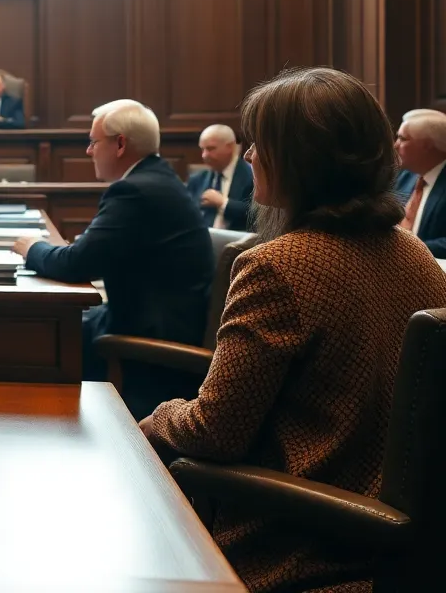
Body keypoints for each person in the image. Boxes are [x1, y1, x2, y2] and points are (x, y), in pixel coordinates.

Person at [142, 68, 446, 593]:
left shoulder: (280, 265)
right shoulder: (414, 253)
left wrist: (147, 423)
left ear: (303, 160)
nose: (252, 155)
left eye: (263, 143)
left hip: (291, 543)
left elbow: (215, 432)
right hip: (381, 545)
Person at [13, 99, 213, 417]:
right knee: (43, 330)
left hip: (146, 350)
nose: (89, 151)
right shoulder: (158, 179)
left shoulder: (134, 191)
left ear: (120, 144)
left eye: (93, 142)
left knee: (28, 339)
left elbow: (75, 263)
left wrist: (32, 247)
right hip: (152, 323)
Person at [394, 108, 446, 256]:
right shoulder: (404, 176)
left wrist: (408, 249)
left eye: (403, 139)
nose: (395, 145)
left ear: (427, 145)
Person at [186, 124, 254, 230]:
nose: (204, 155)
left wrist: (224, 203)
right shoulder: (197, 179)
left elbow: (257, 214)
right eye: (202, 149)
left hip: (240, 243)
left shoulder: (252, 176)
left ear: (230, 147)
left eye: (210, 149)